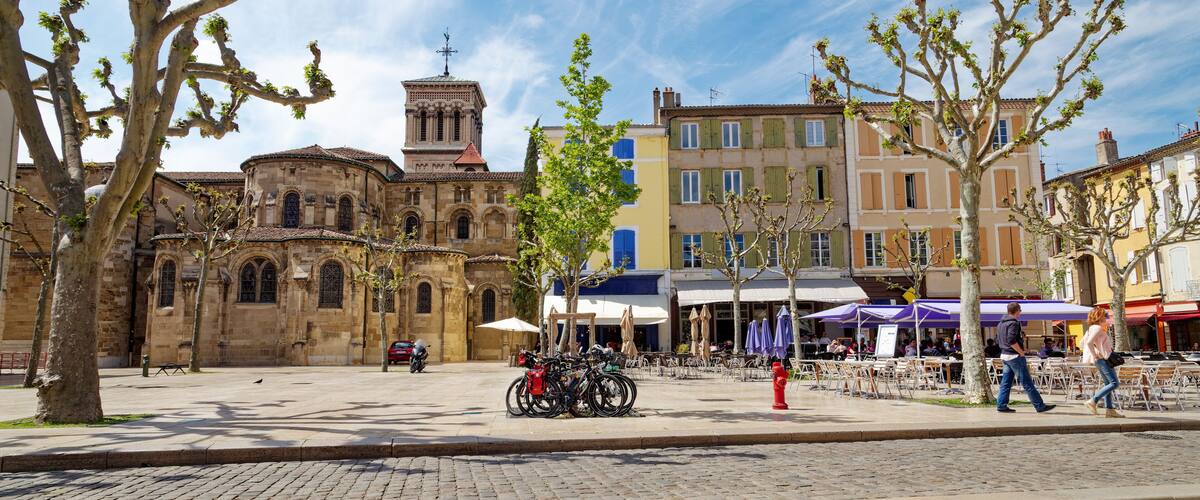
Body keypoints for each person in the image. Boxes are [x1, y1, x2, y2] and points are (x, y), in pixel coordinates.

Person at [995, 302, 1055, 413]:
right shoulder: (1014, 323)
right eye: (1020, 310)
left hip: (1005, 355)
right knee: (1027, 382)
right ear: (1017, 310)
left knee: (1006, 383)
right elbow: (1011, 340)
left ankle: (1001, 405)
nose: (1020, 313)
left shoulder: (1000, 324)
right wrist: (1021, 352)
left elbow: (998, 340)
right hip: (1014, 356)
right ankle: (1039, 406)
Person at [1082, 307, 1123, 418]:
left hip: (1101, 360)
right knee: (1114, 383)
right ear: (1099, 316)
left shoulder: (1092, 328)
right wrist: (1095, 355)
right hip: (1103, 359)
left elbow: (1087, 342)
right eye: (1104, 315)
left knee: (1108, 383)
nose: (1106, 317)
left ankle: (1109, 410)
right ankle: (1093, 400)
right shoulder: (1097, 328)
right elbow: (1089, 343)